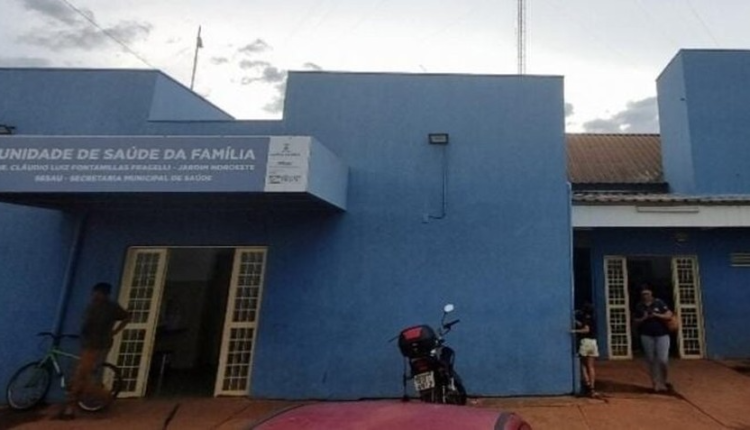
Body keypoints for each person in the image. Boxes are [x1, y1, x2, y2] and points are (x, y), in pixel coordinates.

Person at [56, 282, 130, 420]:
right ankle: (72, 405)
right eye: (94, 293)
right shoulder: (97, 306)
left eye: (97, 293)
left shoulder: (108, 307)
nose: (94, 295)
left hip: (96, 345)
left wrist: (115, 331)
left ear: (103, 294)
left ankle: (95, 399)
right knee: (82, 374)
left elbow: (126, 317)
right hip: (92, 344)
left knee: (82, 375)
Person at [633, 284, 673, 394]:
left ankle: (663, 381)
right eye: (643, 294)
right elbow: (635, 321)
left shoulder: (659, 303)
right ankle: (655, 383)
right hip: (647, 335)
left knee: (662, 360)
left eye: (647, 293)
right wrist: (644, 317)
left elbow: (669, 315)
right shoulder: (639, 306)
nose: (645, 296)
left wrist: (656, 315)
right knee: (651, 360)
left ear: (651, 293)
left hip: (662, 334)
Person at [572, 302, 600, 397]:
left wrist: (574, 331)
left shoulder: (586, 318)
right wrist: (576, 322)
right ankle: (592, 388)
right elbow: (584, 325)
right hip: (593, 343)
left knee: (583, 365)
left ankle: (587, 384)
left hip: (585, 342)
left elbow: (586, 329)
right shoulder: (592, 319)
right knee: (591, 366)